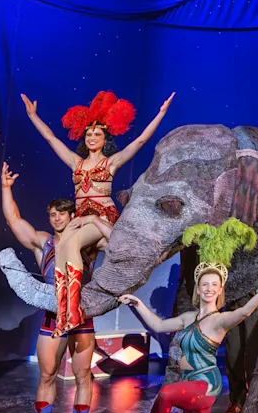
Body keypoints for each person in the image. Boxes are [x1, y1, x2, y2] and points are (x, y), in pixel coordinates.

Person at [118, 219, 258, 413]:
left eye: (214, 285)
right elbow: (159, 325)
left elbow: (245, 311)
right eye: (204, 284)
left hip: (205, 385)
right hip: (190, 388)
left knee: (166, 395)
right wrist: (137, 303)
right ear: (198, 288)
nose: (209, 288)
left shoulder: (220, 320)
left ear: (220, 290)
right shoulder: (188, 318)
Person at [22, 89, 174, 332]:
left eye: (98, 134)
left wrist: (161, 113)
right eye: (89, 134)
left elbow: (141, 141)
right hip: (81, 216)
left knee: (71, 245)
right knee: (61, 247)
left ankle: (73, 311)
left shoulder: (110, 162)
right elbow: (51, 138)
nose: (92, 137)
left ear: (106, 139)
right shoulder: (76, 162)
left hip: (101, 215)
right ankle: (63, 311)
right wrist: (33, 116)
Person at [0, 163, 98, 413]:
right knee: (46, 375)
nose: (56, 219)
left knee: (82, 376)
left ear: (71, 215)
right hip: (53, 314)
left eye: (61, 214)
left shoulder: (86, 242)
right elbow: (14, 219)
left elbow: (115, 239)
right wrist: (6, 188)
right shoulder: (43, 244)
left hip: (81, 315)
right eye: (52, 215)